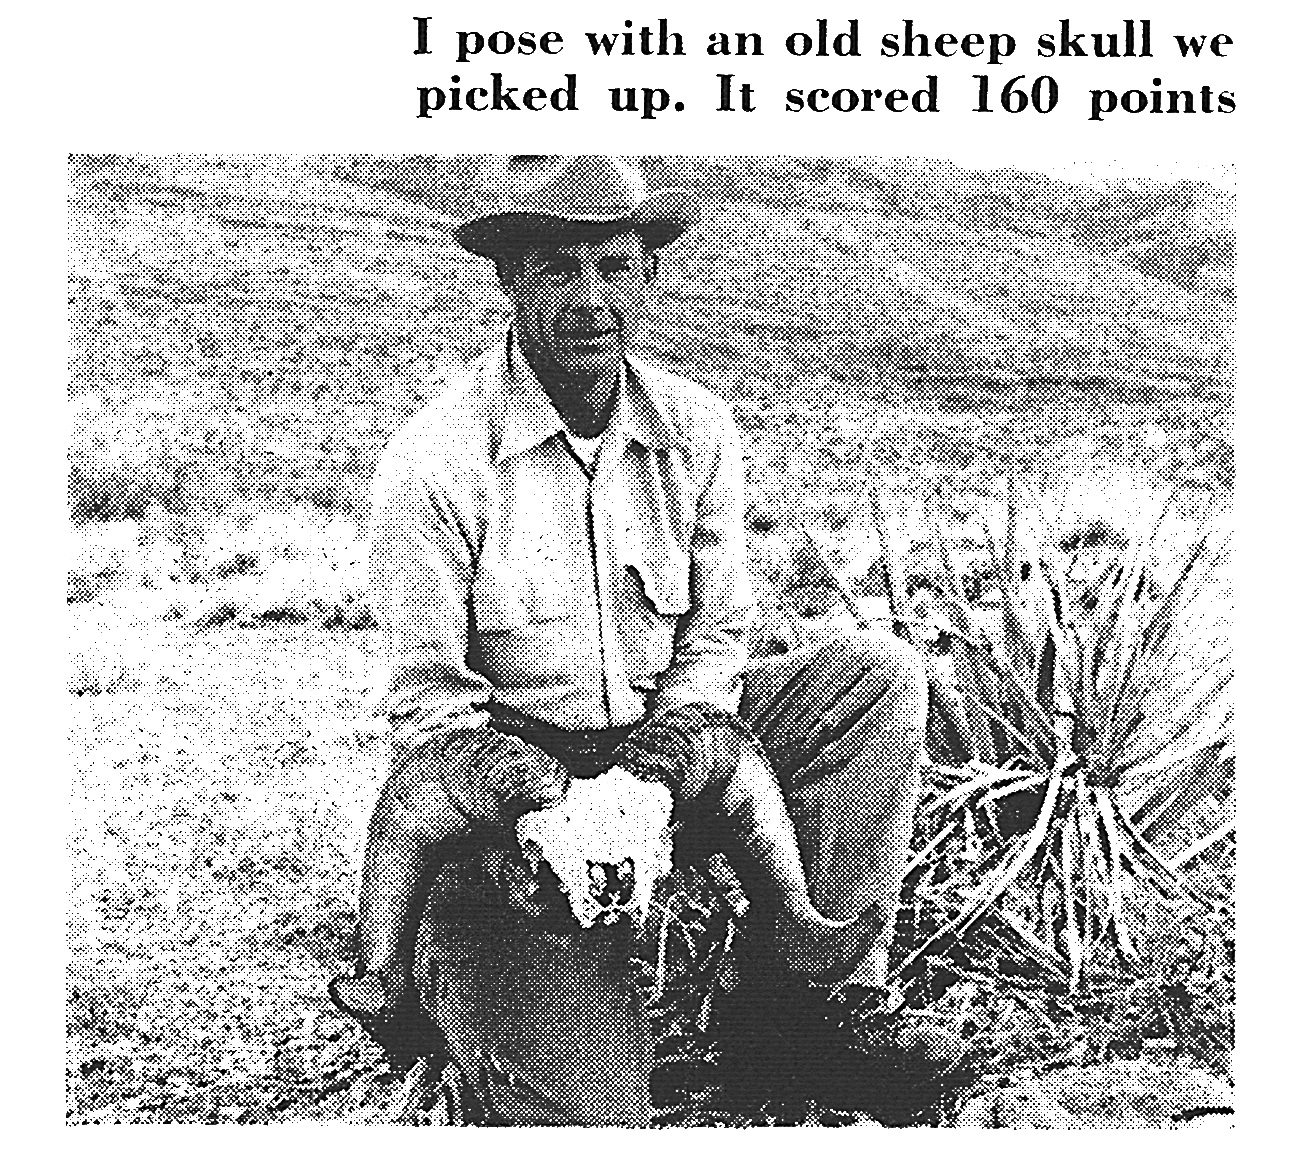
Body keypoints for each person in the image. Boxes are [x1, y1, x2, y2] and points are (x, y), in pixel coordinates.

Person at [329, 156, 935, 1124]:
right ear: (509, 278)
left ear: (652, 274)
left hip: (664, 753)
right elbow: (432, 708)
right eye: (557, 268)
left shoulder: (698, 430)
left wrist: (659, 774)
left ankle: (806, 1006)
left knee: (874, 678)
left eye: (614, 266)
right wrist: (529, 828)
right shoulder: (434, 463)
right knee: (592, 1124)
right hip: (518, 801)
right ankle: (456, 988)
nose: (589, 298)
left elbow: (716, 636)